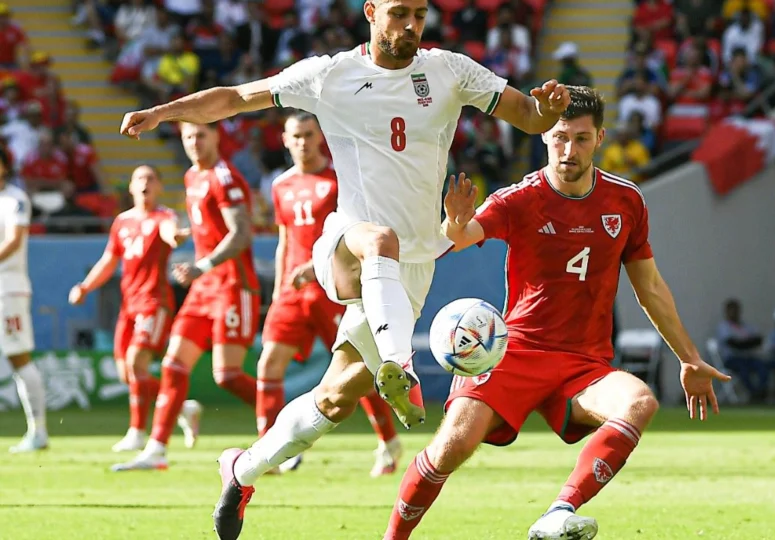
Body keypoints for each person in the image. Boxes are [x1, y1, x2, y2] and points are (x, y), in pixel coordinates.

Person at [116, 0, 570, 535]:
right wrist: (164, 112)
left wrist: (547, 108)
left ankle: (241, 470)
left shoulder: (449, 70)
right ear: (371, 12)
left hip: (416, 264)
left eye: (420, 14)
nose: (411, 25)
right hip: (346, 243)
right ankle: (400, 367)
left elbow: (526, 115)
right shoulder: (330, 74)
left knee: (335, 397)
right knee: (379, 238)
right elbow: (238, 98)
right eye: (400, 12)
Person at [381, 86, 730, 540]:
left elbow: (650, 288)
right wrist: (452, 222)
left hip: (583, 365)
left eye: (581, 139)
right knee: (453, 446)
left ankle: (558, 513)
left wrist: (688, 357)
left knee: (639, 401)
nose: (569, 149)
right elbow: (460, 237)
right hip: (513, 351)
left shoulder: (626, 202)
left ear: (600, 138)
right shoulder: (519, 199)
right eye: (561, 137)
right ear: (546, 135)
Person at [259, 111, 402, 477]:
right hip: (292, 290)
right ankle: (268, 449)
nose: (303, 141)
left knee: (355, 372)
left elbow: (354, 230)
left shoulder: (339, 180)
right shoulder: (281, 185)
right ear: (285, 140)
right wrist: (277, 291)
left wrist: (318, 264)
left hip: (333, 289)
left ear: (319, 137)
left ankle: (388, 442)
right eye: (296, 135)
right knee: (268, 365)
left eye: (309, 134)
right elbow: (284, 240)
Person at [112, 122, 260, 471]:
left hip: (230, 285)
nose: (195, 142)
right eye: (189, 136)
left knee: (227, 375)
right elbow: (203, 227)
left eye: (201, 135)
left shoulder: (225, 177)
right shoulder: (192, 177)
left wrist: (202, 264)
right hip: (202, 286)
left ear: (216, 137)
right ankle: (156, 449)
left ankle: (284, 425)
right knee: (172, 365)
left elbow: (241, 234)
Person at [68, 165, 187, 452]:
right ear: (131, 187)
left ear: (159, 186)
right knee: (127, 373)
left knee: (136, 362)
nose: (145, 183)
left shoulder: (164, 216)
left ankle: (136, 431)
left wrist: (176, 237)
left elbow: (170, 232)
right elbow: (109, 261)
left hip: (154, 302)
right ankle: (181, 407)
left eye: (151, 178)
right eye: (139, 178)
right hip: (129, 305)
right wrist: (85, 286)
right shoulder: (121, 222)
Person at [0, 148, 48, 454]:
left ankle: (38, 431)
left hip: (8, 287)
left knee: (19, 358)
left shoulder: (15, 198)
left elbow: (14, 240)